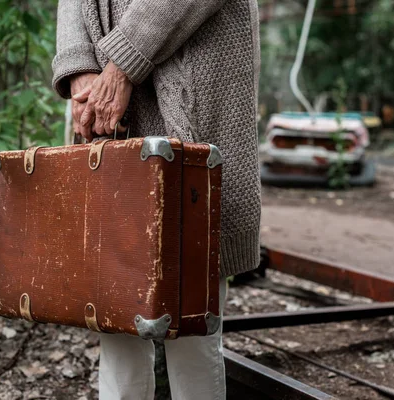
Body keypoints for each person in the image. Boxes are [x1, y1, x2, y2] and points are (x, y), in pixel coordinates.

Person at [51, 1, 261, 399]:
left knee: (193, 329)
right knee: (112, 315)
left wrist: (123, 64)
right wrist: (80, 69)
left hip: (195, 77)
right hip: (103, 96)